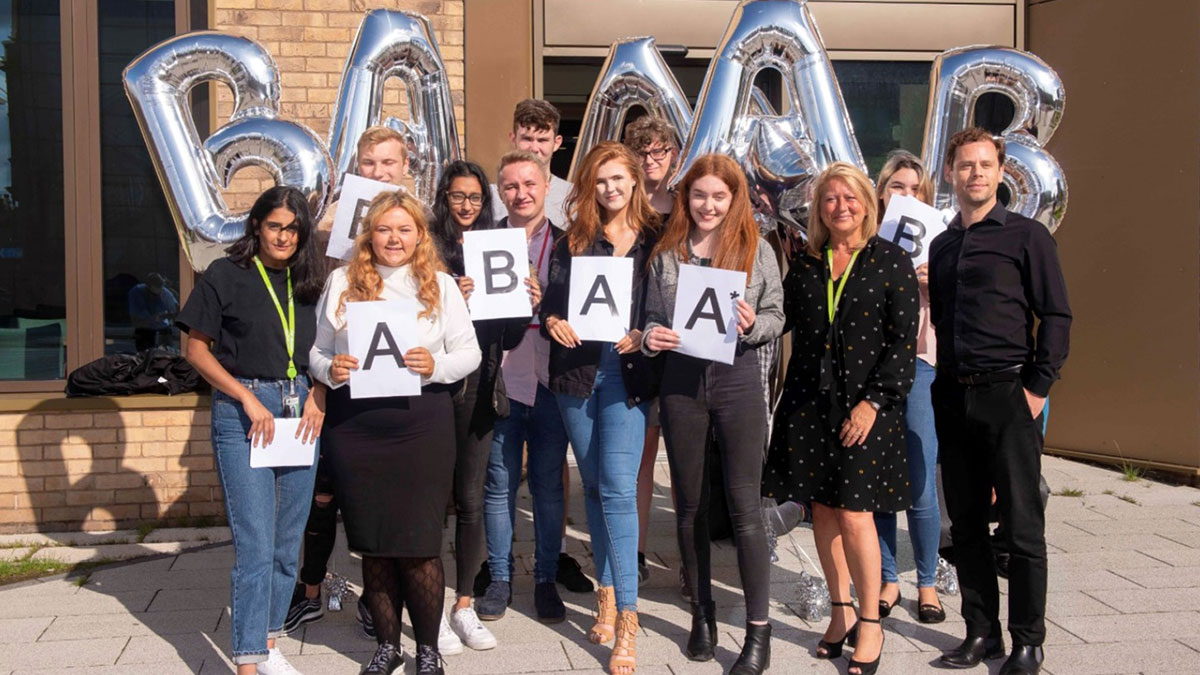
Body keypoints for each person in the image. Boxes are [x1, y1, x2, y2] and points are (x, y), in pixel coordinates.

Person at [310, 190, 482, 675]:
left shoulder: (441, 286)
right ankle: (387, 648)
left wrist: (436, 366)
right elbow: (317, 353)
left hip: (420, 425)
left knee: (420, 542)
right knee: (374, 543)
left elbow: (470, 354)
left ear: (420, 235)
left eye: (405, 229)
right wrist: (331, 369)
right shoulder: (343, 280)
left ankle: (427, 651)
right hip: (357, 429)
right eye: (385, 228)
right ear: (370, 233)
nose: (394, 238)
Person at [763, 162, 918, 675]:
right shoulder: (805, 263)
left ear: (867, 205)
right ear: (818, 210)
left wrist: (873, 403)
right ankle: (840, 611)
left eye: (850, 198)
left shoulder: (890, 261)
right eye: (830, 199)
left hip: (866, 409)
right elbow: (778, 316)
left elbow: (902, 343)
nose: (841, 207)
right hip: (808, 406)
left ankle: (871, 622)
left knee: (855, 514)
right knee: (823, 512)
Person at [929, 128, 1070, 675]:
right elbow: (943, 319)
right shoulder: (943, 245)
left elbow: (1056, 316)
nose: (976, 174)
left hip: (1010, 394)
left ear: (1001, 171)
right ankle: (981, 632)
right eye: (966, 165)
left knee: (1022, 526)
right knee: (964, 526)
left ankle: (1028, 641)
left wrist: (1037, 388)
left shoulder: (1027, 237)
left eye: (986, 165)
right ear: (950, 173)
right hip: (954, 396)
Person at [643, 153, 784, 675]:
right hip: (682, 383)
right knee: (690, 505)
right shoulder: (667, 254)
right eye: (699, 195)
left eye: (718, 196)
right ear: (687, 198)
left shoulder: (757, 250)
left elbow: (776, 314)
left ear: (734, 199)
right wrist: (653, 338)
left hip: (737, 378)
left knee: (746, 508)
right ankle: (701, 612)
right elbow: (652, 321)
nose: (707, 205)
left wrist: (753, 325)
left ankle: (758, 631)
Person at [177, 186, 327, 675]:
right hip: (245, 412)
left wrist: (319, 394)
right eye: (274, 225)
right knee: (256, 544)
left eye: (293, 227)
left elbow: (332, 346)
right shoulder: (226, 273)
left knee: (288, 541)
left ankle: (268, 641)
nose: (283, 236)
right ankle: (246, 660)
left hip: (301, 409)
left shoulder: (311, 281)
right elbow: (195, 351)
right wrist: (243, 397)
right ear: (257, 226)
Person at [286, 125, 414, 639]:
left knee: (377, 500)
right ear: (355, 168)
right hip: (338, 381)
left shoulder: (417, 226)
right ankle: (310, 589)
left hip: (396, 392)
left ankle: (375, 600)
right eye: (369, 164)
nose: (379, 172)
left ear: (406, 166)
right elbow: (322, 324)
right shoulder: (337, 226)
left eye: (388, 163)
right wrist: (318, 390)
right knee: (322, 493)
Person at [540, 141, 660, 675]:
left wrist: (646, 331)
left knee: (616, 485)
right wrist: (551, 322)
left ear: (636, 180)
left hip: (627, 374)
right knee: (591, 485)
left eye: (618, 179)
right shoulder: (574, 241)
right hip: (575, 374)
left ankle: (628, 621)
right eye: (599, 181)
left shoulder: (659, 238)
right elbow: (551, 300)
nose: (609, 189)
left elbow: (667, 305)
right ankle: (606, 590)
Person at [477, 99, 594, 597]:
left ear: (548, 187)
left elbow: (589, 315)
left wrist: (549, 305)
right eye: (511, 187)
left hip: (550, 379)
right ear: (499, 193)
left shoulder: (573, 245)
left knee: (548, 484)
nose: (521, 193)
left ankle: (545, 574)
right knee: (499, 484)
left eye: (530, 185)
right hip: (500, 379)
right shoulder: (480, 242)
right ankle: (500, 577)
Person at [427, 160, 539, 653]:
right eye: (458, 196)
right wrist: (448, 295)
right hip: (430, 391)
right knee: (430, 503)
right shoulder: (424, 247)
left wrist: (525, 304)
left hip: (480, 389)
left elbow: (510, 336)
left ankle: (465, 604)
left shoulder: (497, 244)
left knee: (472, 501)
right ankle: (426, 605)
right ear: (444, 198)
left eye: (475, 197)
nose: (467, 205)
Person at [871, 150, 946, 624]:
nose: (906, 195)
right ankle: (887, 577)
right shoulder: (866, 240)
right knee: (877, 482)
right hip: (874, 372)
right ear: (882, 192)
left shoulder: (939, 243)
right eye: (898, 187)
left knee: (920, 480)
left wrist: (934, 285)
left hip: (920, 365)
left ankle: (928, 582)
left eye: (915, 189)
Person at [622, 115, 679, 586]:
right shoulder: (623, 204)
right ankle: (636, 553)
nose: (652, 160)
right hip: (632, 345)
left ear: (674, 155)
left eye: (660, 151)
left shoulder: (687, 206)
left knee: (683, 463)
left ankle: (690, 560)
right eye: (643, 153)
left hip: (680, 347)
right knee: (642, 457)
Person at [129, 272, 179, 351]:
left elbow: (175, 309)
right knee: (144, 353)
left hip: (163, 329)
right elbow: (135, 316)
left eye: (161, 287)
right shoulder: (137, 292)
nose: (160, 290)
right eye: (157, 287)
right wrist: (151, 319)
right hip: (144, 329)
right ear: (149, 286)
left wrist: (166, 316)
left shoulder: (164, 293)